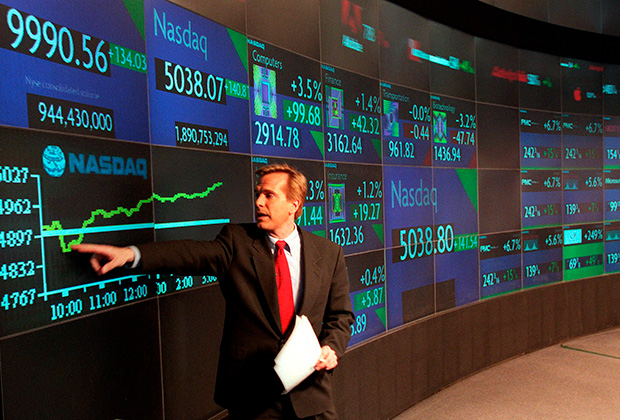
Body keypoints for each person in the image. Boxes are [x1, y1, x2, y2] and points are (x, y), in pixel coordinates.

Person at [72, 163, 354, 419]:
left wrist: (331, 347)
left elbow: (340, 317)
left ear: (294, 204)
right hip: (253, 395)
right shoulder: (236, 242)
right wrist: (131, 254)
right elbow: (189, 255)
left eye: (269, 195)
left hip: (310, 394)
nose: (258, 202)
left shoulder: (328, 253)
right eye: (258, 194)